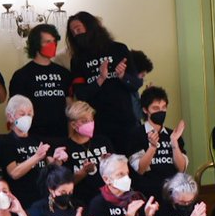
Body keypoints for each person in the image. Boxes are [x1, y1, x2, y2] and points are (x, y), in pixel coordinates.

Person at [65, 12, 142, 153]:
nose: (76, 33)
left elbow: (136, 84)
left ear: (90, 26)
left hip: (125, 121)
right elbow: (81, 94)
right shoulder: (77, 60)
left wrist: (123, 76)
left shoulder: (119, 49)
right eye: (72, 32)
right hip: (97, 125)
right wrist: (100, 79)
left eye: (78, 28)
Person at [8, 24, 72, 143]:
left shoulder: (64, 73)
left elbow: (70, 107)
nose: (52, 45)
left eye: (54, 41)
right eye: (47, 42)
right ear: (36, 44)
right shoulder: (22, 75)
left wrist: (71, 136)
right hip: (32, 138)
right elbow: (15, 110)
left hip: (61, 136)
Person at [131, 86, 188, 197]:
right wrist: (152, 147)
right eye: (155, 108)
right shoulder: (136, 135)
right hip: (147, 193)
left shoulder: (173, 135)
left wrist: (174, 142)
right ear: (145, 110)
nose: (161, 111)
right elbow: (140, 169)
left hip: (173, 192)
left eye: (164, 107)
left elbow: (182, 168)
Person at [0, 95, 51, 209]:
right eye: (22, 114)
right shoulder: (7, 142)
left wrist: (56, 159)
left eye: (29, 114)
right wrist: (36, 157)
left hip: (42, 197)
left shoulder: (36, 140)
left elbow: (47, 164)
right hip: (22, 199)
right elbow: (14, 173)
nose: (26, 118)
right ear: (10, 117)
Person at [61, 100, 115, 204]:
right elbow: (64, 183)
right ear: (73, 125)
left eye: (91, 120)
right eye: (84, 121)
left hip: (107, 199)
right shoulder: (66, 148)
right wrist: (83, 172)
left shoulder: (103, 141)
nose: (90, 124)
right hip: (81, 201)